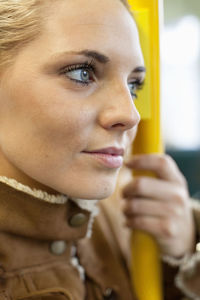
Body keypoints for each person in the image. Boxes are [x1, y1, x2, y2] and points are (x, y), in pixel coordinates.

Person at [0, 0, 199, 299]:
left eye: (134, 85)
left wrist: (185, 250)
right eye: (82, 73)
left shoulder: (129, 222)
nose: (131, 115)